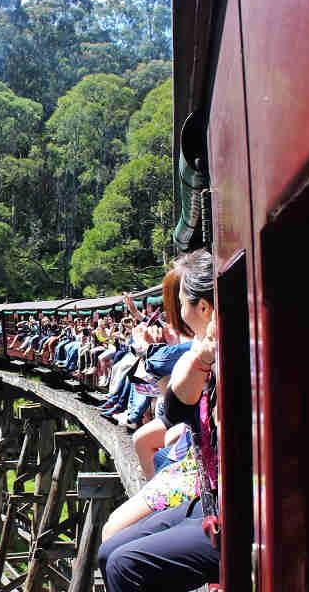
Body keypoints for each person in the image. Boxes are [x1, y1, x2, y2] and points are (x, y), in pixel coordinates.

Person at [97, 249, 220, 591]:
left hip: (226, 505)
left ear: (204, 308)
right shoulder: (199, 352)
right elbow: (174, 408)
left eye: (181, 301)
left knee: (123, 564)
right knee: (109, 553)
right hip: (208, 494)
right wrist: (203, 353)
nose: (178, 310)